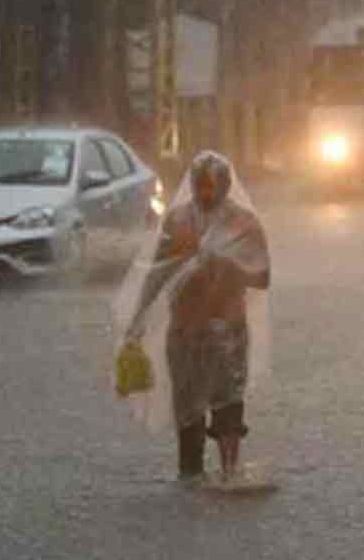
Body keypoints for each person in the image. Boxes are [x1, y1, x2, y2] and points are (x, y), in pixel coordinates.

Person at [113, 151, 272, 482]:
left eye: (213, 186)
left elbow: (262, 277)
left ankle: (230, 472)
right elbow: (157, 273)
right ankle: (190, 472)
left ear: (227, 186)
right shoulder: (177, 221)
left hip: (228, 327)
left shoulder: (244, 224)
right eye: (200, 186)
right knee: (187, 404)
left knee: (228, 401)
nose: (206, 194)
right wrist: (137, 320)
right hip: (185, 330)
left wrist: (225, 263)